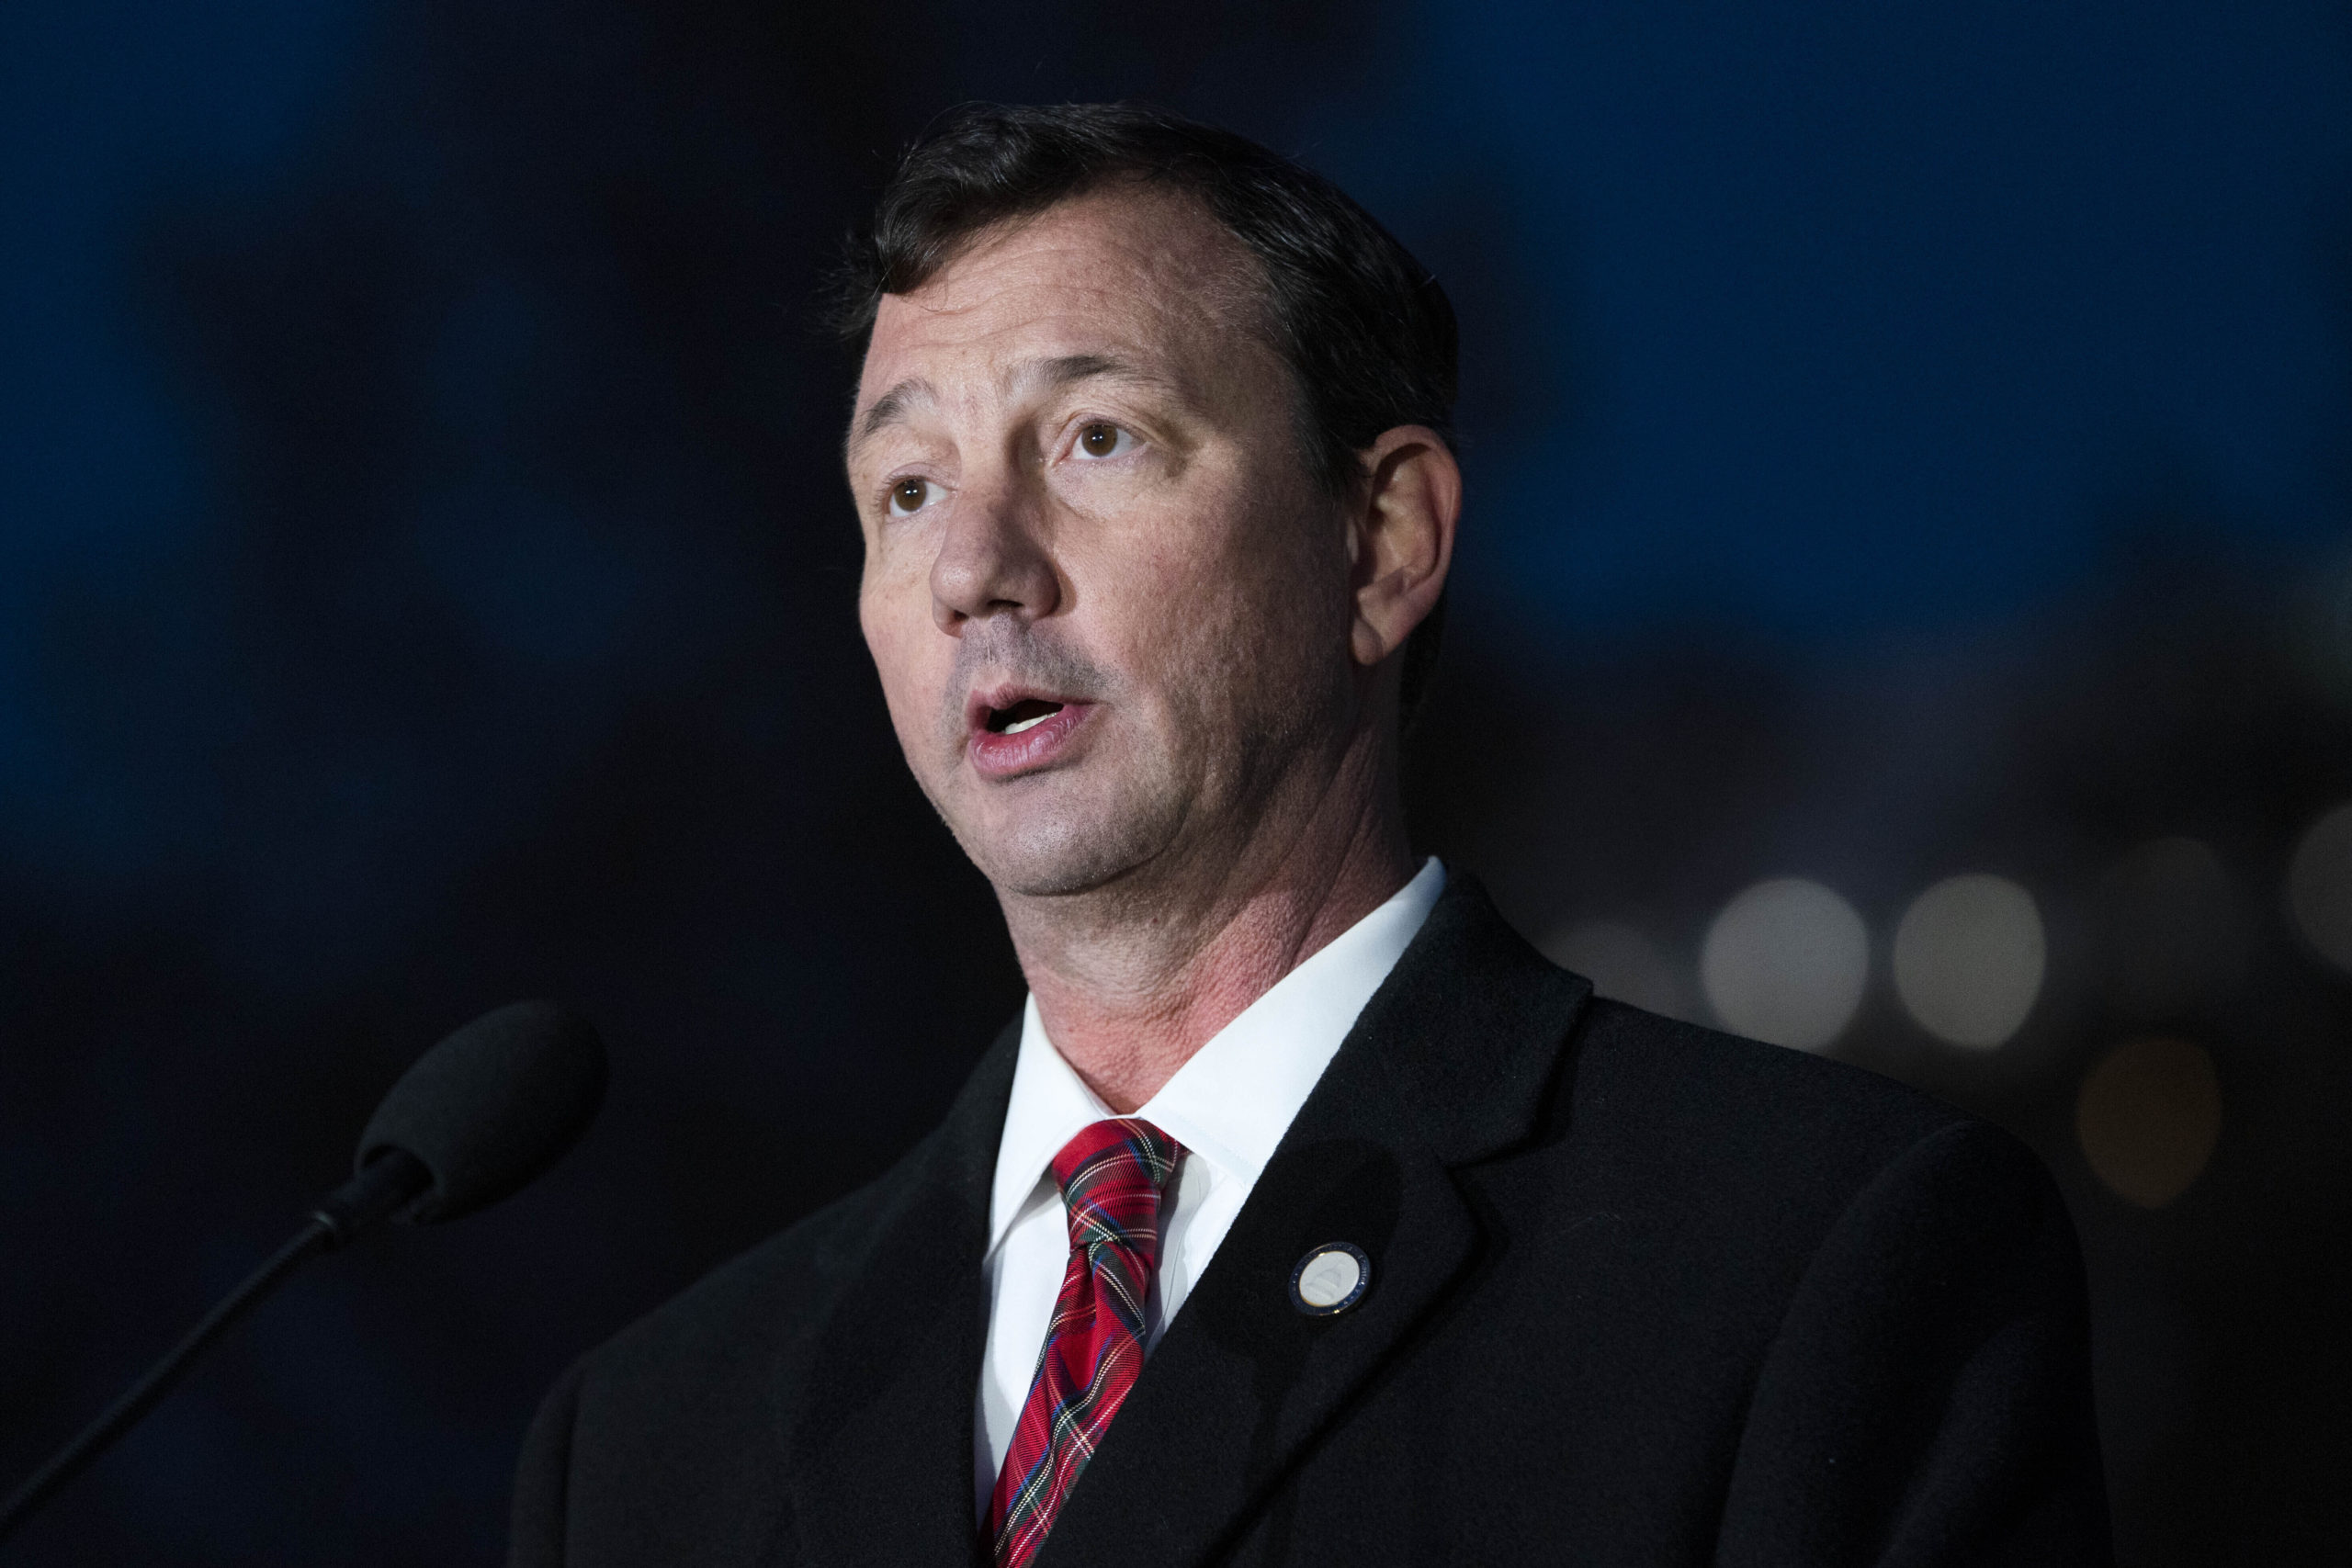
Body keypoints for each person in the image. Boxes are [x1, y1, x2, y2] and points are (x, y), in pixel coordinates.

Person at [507, 102, 2109, 1568]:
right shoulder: (646, 1450)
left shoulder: (1813, 1269)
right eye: (908, 488)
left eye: (1096, 441)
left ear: (1384, 542)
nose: (973, 568)